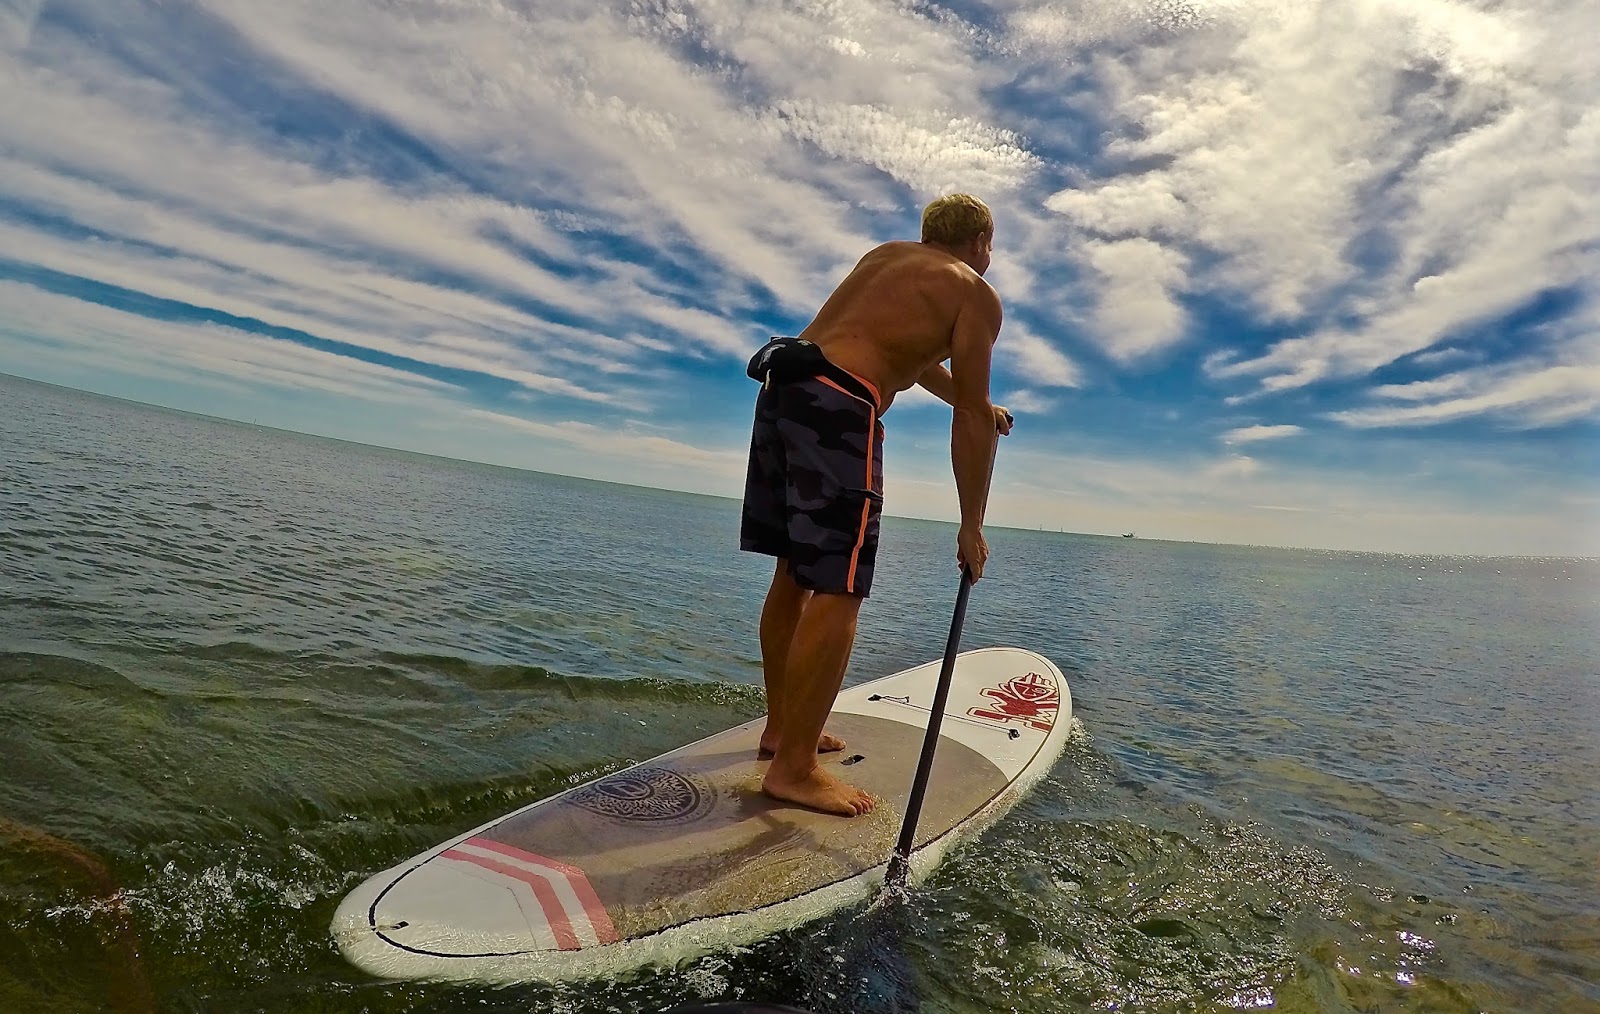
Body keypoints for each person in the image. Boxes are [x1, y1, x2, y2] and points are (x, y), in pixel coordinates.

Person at [740, 193, 1012, 817]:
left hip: (788, 384)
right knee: (839, 587)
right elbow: (971, 412)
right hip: (841, 406)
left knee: (795, 573)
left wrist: (972, 403)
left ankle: (782, 730)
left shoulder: (886, 260)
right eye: (990, 246)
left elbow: (904, 359)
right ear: (978, 243)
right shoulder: (973, 292)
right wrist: (971, 526)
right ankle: (795, 769)